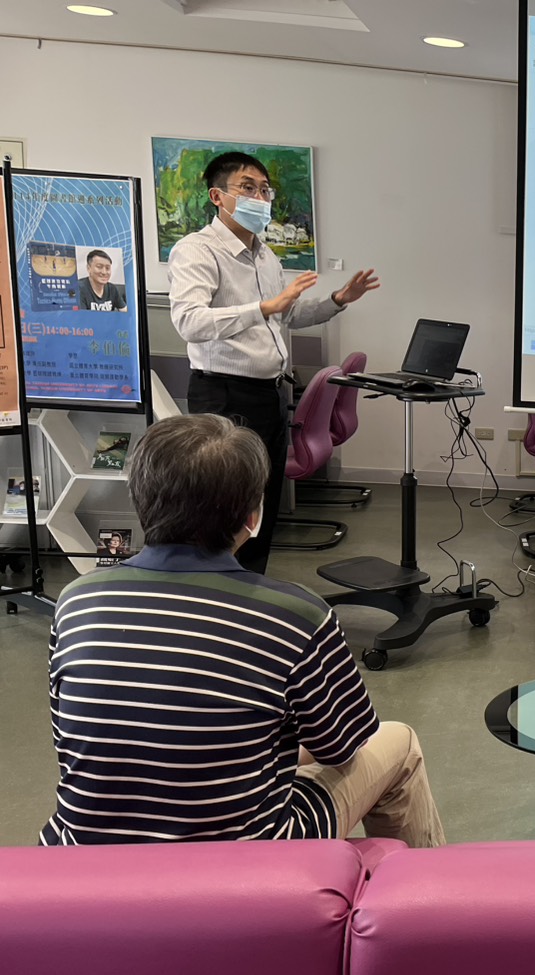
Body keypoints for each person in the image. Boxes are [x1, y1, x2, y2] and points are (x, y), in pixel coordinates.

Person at [41, 414, 445, 848]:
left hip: (83, 852)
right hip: (245, 856)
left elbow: (77, 742)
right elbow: (342, 748)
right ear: (253, 515)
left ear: (140, 499)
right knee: (399, 743)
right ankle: (427, 889)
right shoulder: (296, 616)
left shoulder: (77, 600)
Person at [168, 151, 380, 574]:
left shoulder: (265, 255)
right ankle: (218, 589)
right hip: (224, 394)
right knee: (225, 502)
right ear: (218, 196)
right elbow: (190, 322)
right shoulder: (197, 250)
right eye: (248, 188)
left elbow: (289, 315)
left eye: (265, 190)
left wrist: (338, 300)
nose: (260, 197)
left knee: (261, 502)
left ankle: (252, 584)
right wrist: (263, 307)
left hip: (269, 394)